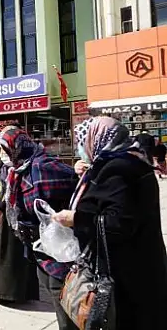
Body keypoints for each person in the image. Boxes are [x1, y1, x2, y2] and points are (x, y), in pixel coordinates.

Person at [52, 117, 167, 330]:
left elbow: (117, 224)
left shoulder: (119, 169)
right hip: (141, 265)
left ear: (98, 139)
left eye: (82, 141)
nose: (80, 148)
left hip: (125, 275)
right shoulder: (131, 161)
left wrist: (75, 219)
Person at [0, 126, 77, 330]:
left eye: (5, 149)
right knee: (48, 284)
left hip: (57, 246)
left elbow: (74, 183)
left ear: (17, 148)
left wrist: (66, 214)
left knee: (60, 292)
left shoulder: (42, 167)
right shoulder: (17, 169)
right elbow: (9, 192)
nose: (2, 154)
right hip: (38, 245)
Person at [0, 144, 40, 304]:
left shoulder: (26, 166)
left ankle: (14, 292)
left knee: (14, 255)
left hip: (16, 216)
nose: (2, 152)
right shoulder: (5, 165)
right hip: (0, 212)